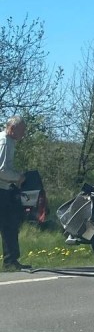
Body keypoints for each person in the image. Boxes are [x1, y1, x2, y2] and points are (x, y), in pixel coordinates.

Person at [0, 116, 30, 272]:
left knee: (10, 224)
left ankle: (11, 261)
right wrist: (18, 177)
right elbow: (2, 170)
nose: (23, 134)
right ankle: (10, 261)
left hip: (5, 188)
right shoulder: (4, 142)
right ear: (12, 128)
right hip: (1, 189)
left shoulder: (9, 141)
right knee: (9, 224)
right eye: (22, 130)